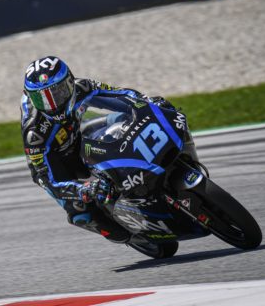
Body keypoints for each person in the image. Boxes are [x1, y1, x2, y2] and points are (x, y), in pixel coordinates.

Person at [20, 56, 173, 243]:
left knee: (122, 120)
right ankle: (131, 236)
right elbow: (43, 177)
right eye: (42, 99)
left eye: (57, 93)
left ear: (70, 82)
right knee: (81, 212)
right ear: (31, 97)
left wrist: (148, 103)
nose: (52, 105)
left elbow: (121, 94)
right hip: (57, 158)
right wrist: (81, 189)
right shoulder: (35, 132)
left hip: (79, 133)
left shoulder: (82, 87)